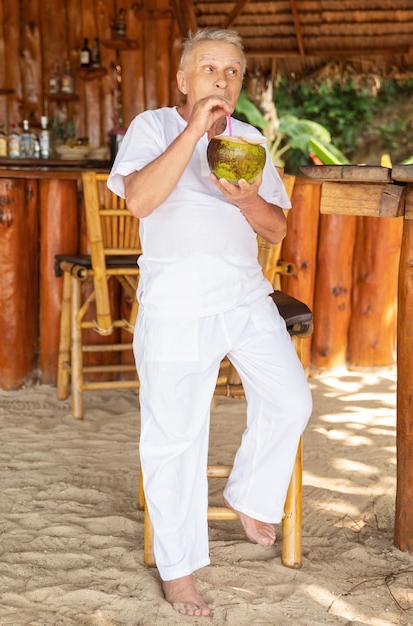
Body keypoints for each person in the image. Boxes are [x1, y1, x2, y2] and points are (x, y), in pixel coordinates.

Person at [107, 28, 312, 618]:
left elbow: (274, 229)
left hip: (245, 298)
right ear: (183, 80)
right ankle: (179, 573)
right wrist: (196, 129)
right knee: (174, 441)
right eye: (208, 69)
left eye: (232, 72)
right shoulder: (152, 128)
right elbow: (141, 200)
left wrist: (246, 199)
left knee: (291, 401)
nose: (221, 80)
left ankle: (249, 492)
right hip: (173, 304)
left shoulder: (249, 139)